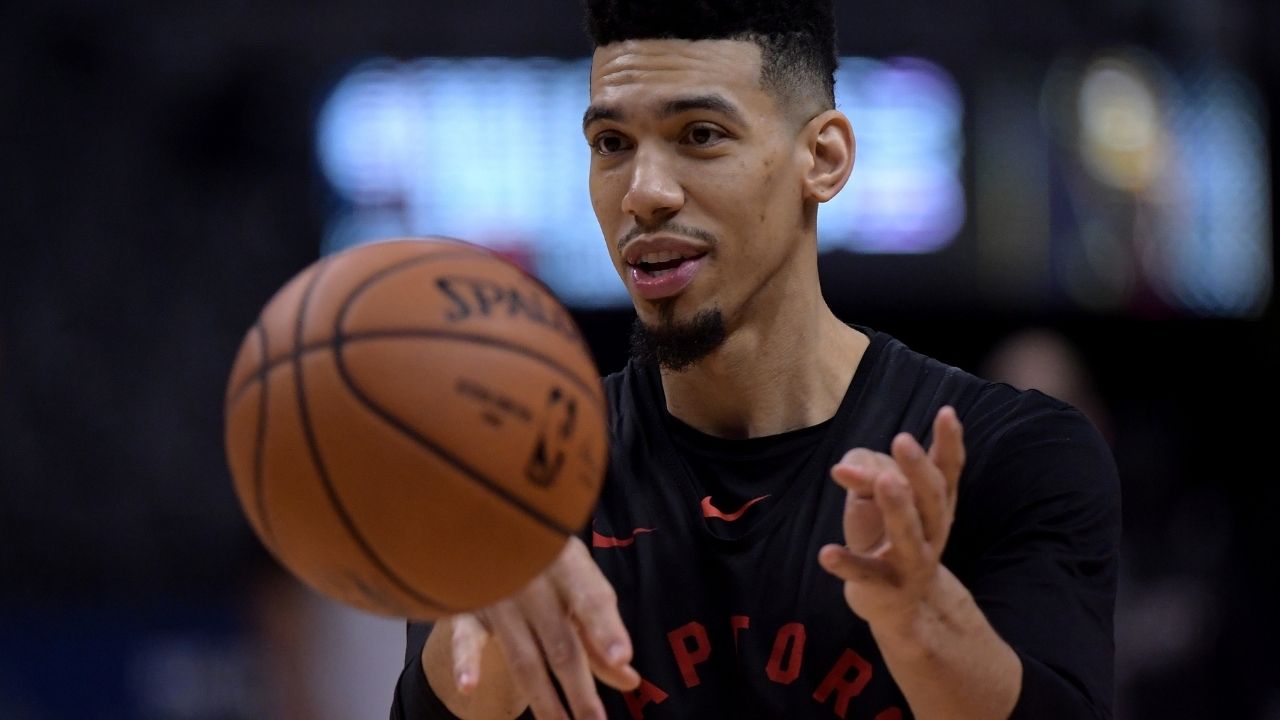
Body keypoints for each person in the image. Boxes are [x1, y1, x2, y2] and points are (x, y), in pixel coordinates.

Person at [391, 0, 1120, 717]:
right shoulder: (520, 475)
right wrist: (487, 627)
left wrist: (919, 622)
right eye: (612, 143)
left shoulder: (1012, 455)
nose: (643, 193)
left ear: (823, 159)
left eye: (700, 134)